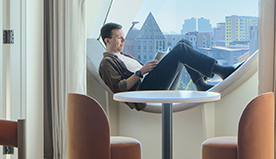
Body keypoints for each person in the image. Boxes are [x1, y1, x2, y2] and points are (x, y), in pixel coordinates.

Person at [97, 22, 236, 105]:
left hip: (152, 83)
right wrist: (141, 72)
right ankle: (222, 70)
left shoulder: (122, 56)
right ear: (107, 41)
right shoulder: (106, 63)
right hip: (146, 92)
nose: (123, 40)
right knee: (181, 49)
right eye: (119, 38)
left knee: (184, 43)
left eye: (123, 37)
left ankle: (200, 83)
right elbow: (118, 88)